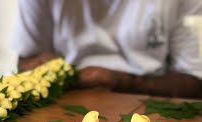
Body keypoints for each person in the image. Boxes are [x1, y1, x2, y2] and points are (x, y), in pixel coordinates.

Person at [11, 0, 202, 98]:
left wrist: (121, 81)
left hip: (149, 99)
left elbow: (194, 82)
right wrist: (36, 66)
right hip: (63, 97)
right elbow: (25, 61)